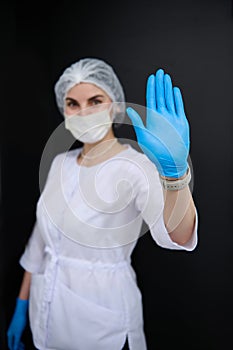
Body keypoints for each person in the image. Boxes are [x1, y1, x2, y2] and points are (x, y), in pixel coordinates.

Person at [7, 58, 198, 350]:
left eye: (95, 100)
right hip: (46, 316)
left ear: (115, 104)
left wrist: (175, 174)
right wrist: (21, 304)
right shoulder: (60, 163)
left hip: (103, 325)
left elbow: (178, 234)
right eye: (72, 103)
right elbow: (40, 242)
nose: (83, 112)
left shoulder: (135, 166)